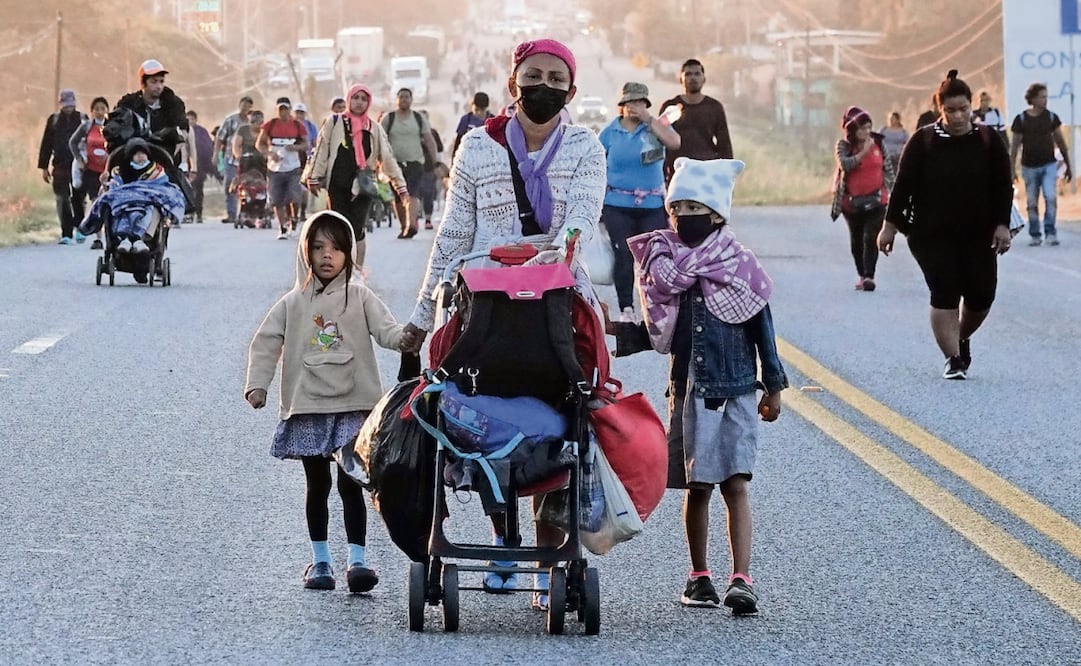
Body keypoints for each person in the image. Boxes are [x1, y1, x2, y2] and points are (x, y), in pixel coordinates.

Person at [400, 38, 606, 608]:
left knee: (565, 418)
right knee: (481, 416)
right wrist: (421, 317)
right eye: (533, 75)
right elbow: (453, 234)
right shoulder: (476, 147)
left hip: (556, 300)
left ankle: (551, 548)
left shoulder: (587, 147)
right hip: (483, 304)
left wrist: (559, 250)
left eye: (556, 78)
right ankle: (501, 535)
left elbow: (584, 217)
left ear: (571, 89)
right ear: (513, 84)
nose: (544, 86)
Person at [606, 157, 787, 614]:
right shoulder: (662, 266)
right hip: (689, 390)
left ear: (717, 214)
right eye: (677, 207)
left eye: (695, 206)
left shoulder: (739, 264)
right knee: (698, 488)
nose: (684, 216)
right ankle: (699, 576)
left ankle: (742, 579)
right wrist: (614, 330)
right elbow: (659, 331)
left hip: (738, 390)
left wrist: (773, 385)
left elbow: (761, 326)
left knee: (736, 484)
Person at [244, 210, 413, 593]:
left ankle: (357, 562)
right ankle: (321, 562)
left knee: (352, 483)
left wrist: (407, 338)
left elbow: (387, 331)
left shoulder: (361, 296)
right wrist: (258, 385)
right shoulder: (292, 302)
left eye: (336, 248)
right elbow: (266, 341)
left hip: (355, 404)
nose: (327, 255)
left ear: (349, 254)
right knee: (316, 485)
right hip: (308, 406)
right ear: (304, 251)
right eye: (318, 247)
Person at [878, 70, 1013, 380]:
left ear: (971, 107)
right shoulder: (923, 141)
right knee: (945, 290)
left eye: (963, 109)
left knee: (981, 295)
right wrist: (890, 226)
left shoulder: (988, 140)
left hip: (978, 233)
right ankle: (952, 358)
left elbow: (1003, 186)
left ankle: (961, 337)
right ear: (940, 109)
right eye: (950, 110)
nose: (958, 116)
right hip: (930, 234)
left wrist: (1002, 225)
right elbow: (903, 186)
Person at [597, 81, 681, 321]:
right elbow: (597, 165)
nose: (634, 107)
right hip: (617, 204)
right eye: (630, 103)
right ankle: (627, 308)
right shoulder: (610, 132)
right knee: (623, 254)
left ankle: (655, 307)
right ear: (621, 106)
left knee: (654, 257)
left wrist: (650, 120)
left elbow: (675, 143)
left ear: (646, 104)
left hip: (652, 205)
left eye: (640, 102)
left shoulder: (655, 127)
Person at [306, 83, 409, 269]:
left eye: (363, 99)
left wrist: (400, 184)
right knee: (339, 227)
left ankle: (356, 270)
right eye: (355, 98)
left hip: (364, 184)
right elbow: (321, 150)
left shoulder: (374, 127)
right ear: (348, 99)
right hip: (338, 183)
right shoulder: (334, 122)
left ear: (368, 102)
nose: (359, 103)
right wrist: (314, 176)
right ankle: (340, 269)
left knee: (357, 228)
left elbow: (387, 157)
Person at [831, 106, 894, 292]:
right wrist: (863, 152)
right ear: (852, 130)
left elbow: (888, 169)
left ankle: (869, 276)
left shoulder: (878, 143)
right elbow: (845, 165)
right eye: (862, 128)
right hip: (851, 204)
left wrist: (896, 193)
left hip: (877, 200)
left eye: (868, 127)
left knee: (870, 237)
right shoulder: (843, 146)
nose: (866, 132)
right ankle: (861, 273)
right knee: (856, 241)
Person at [1010, 82, 1072, 246]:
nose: (1045, 100)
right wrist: (1011, 170)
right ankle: (1035, 234)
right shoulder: (1021, 119)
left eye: (1046, 97)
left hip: (1048, 165)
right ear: (1033, 99)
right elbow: (1015, 146)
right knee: (1031, 202)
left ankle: (1051, 232)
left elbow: (1061, 142)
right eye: (1042, 97)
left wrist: (1068, 165)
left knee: (1050, 197)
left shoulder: (1051, 118)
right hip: (1029, 166)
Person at [658, 59, 734, 184]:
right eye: (688, 74)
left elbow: (724, 143)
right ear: (681, 79)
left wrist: (726, 173)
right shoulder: (670, 107)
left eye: (697, 74)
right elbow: (660, 141)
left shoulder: (714, 107)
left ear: (704, 79)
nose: (693, 78)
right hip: (677, 171)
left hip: (706, 170)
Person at [380, 88, 438, 238]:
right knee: (398, 195)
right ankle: (404, 226)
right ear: (397, 100)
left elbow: (429, 139)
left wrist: (435, 159)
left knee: (413, 192)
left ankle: (412, 224)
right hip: (394, 164)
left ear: (411, 100)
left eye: (407, 97)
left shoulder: (418, 118)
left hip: (416, 162)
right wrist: (378, 160)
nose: (404, 99)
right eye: (401, 97)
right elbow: (379, 139)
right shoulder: (389, 118)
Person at [38, 88, 88, 245]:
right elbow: (46, 144)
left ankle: (80, 228)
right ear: (60, 104)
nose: (68, 108)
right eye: (66, 105)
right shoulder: (53, 120)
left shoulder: (83, 119)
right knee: (62, 199)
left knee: (78, 198)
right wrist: (44, 167)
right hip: (59, 165)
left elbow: (91, 142)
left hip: (79, 164)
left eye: (71, 105)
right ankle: (66, 232)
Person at [257, 97, 308, 239]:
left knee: (295, 197)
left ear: (289, 110)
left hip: (293, 167)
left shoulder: (297, 126)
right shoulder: (270, 125)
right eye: (280, 109)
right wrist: (269, 153)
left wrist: (295, 147)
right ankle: (282, 228)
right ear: (276, 110)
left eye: (285, 109)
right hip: (274, 168)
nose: (283, 112)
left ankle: (294, 220)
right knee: (276, 199)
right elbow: (259, 144)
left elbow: (306, 144)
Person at [68, 95, 110, 249]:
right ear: (92, 112)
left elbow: (119, 145)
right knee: (95, 202)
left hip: (108, 171)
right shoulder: (86, 127)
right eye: (96, 109)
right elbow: (72, 142)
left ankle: (111, 236)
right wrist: (79, 159)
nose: (99, 112)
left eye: (102, 109)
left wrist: (111, 156)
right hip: (91, 171)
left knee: (108, 204)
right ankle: (98, 238)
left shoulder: (112, 127)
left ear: (107, 110)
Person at [214, 96, 253, 225]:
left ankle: (245, 214)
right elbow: (220, 138)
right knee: (229, 185)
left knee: (247, 186)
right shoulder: (231, 120)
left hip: (247, 160)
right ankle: (231, 213)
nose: (245, 108)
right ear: (239, 105)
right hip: (230, 158)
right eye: (243, 105)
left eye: (248, 106)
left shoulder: (251, 121)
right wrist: (216, 154)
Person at [185, 110, 217, 223]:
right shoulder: (182, 131)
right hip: (185, 164)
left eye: (192, 119)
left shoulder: (202, 132)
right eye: (188, 119)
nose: (190, 121)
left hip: (200, 165)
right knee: (186, 189)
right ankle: (188, 213)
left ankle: (198, 213)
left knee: (198, 191)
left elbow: (207, 148)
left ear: (196, 119)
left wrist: (209, 166)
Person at [417, 109, 445, 230]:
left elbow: (440, 148)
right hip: (414, 167)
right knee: (415, 194)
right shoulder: (412, 133)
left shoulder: (432, 132)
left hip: (429, 167)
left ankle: (428, 219)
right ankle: (414, 218)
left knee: (428, 194)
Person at [294, 102, 320, 222]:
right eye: (297, 112)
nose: (299, 115)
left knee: (304, 187)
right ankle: (293, 213)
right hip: (292, 159)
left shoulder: (310, 126)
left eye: (301, 113)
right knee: (293, 187)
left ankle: (303, 211)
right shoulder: (290, 125)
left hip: (307, 160)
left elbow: (315, 142)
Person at [452, 91, 494, 161]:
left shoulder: (492, 121)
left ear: (486, 108)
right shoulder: (466, 120)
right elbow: (458, 142)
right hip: (468, 158)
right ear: (472, 106)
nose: (479, 113)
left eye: (482, 110)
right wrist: (454, 160)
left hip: (486, 159)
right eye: (476, 109)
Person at [879, 111, 908, 176]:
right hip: (885, 155)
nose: (891, 120)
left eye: (893, 119)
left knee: (896, 172)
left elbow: (907, 143)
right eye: (890, 119)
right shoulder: (884, 130)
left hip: (898, 156)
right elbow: (878, 140)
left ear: (898, 120)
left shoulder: (903, 132)